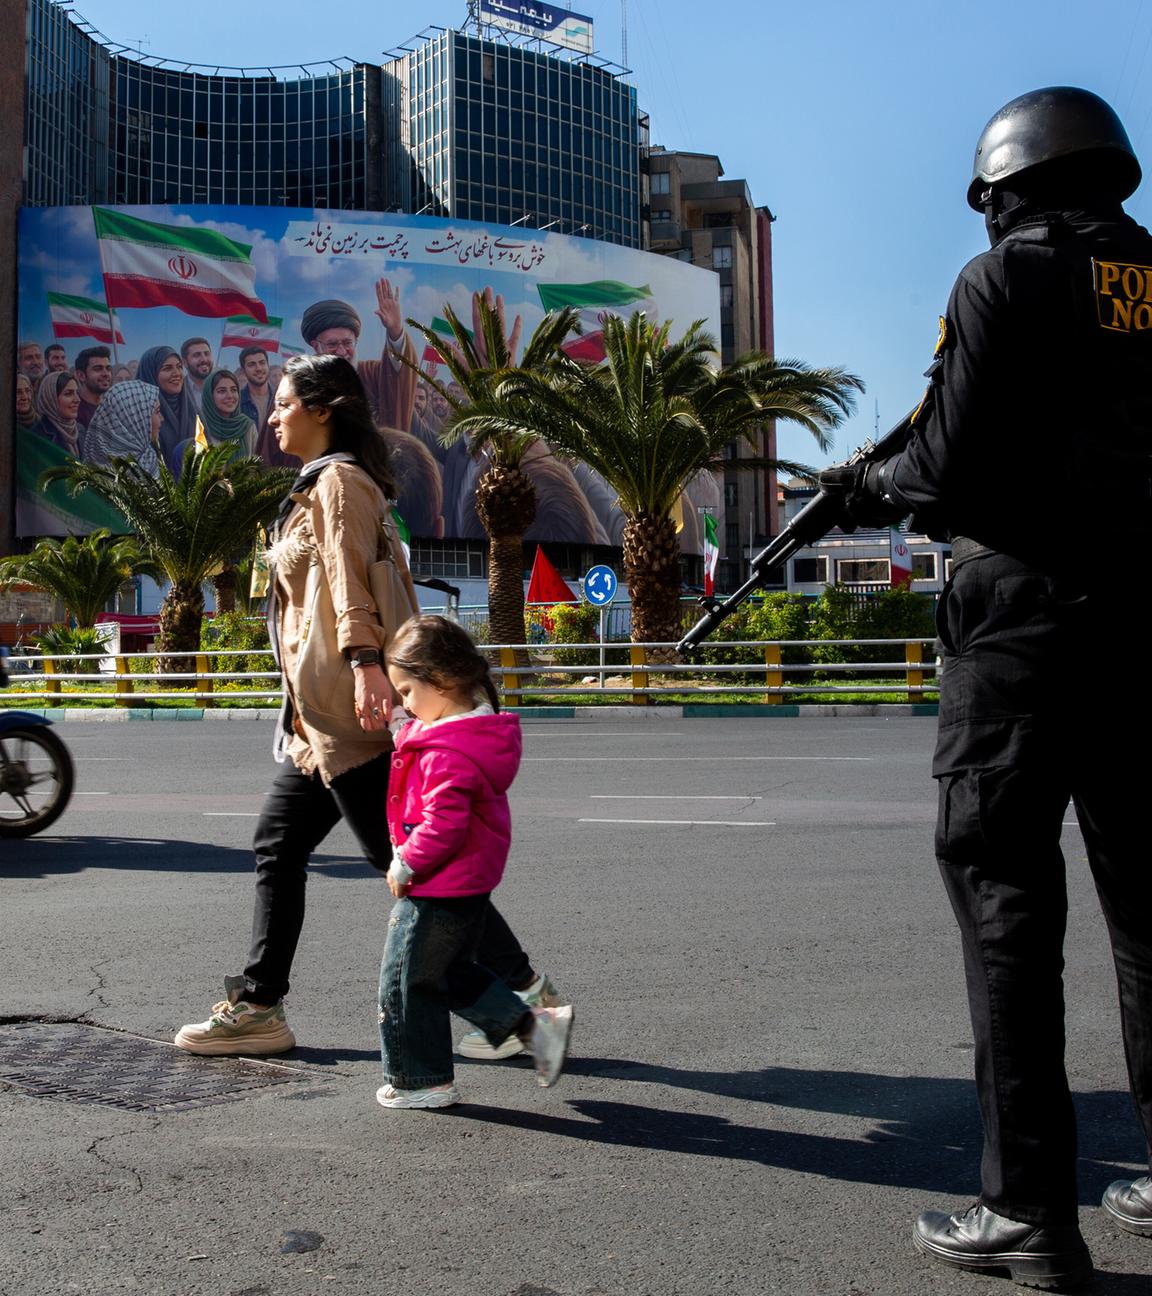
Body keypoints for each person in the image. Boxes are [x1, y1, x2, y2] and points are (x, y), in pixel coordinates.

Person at [819, 86, 1152, 1288]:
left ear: (1006, 181)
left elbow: (948, 465)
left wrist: (868, 485)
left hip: (1022, 630)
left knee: (1009, 912)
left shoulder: (1000, 276)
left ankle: (1029, 1213)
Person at [174, 355, 563, 1058]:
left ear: (322, 409)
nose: (273, 416)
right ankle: (262, 1004)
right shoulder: (316, 487)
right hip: (316, 720)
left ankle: (524, 1004)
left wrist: (363, 666)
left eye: (285, 403)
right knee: (279, 846)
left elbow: (351, 582)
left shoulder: (341, 483)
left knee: (411, 861)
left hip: (348, 712)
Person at [376, 615, 574, 1109]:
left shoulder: (448, 754)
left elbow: (444, 823)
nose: (404, 702)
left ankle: (420, 1082)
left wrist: (407, 864)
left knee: (406, 981)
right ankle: (533, 1028)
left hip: (437, 884)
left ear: (439, 683)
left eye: (406, 691)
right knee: (450, 973)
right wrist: (402, 725)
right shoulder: (466, 733)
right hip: (467, 885)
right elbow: (424, 742)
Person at [300, 280, 418, 432]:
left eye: (347, 343)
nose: (342, 351)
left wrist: (395, 330)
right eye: (332, 344)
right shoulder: (301, 383)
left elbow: (398, 374)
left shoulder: (372, 374)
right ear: (316, 346)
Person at [82, 379, 163, 478]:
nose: (162, 418)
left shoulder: (149, 457)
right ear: (134, 419)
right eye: (157, 412)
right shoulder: (102, 473)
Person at [138, 345, 198, 467]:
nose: (177, 373)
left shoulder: (193, 412)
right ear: (151, 374)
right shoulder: (140, 415)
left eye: (179, 367)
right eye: (167, 368)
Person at [198, 368, 257, 460]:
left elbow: (257, 466)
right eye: (222, 391)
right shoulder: (200, 427)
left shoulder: (247, 427)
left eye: (233, 390)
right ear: (209, 396)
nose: (230, 396)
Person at [30, 369, 83, 456]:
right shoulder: (37, 436)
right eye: (68, 393)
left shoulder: (81, 430)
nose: (77, 400)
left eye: (77, 393)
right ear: (51, 398)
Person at [237, 345, 274, 443]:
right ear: (243, 371)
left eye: (262, 363)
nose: (258, 368)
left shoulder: (281, 399)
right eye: (252, 365)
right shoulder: (236, 402)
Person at [74, 345, 113, 433]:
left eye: (108, 368)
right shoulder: (74, 410)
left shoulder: (113, 406)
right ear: (81, 375)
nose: (106, 373)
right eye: (98, 369)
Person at [181, 337, 214, 410]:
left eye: (206, 354)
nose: (204, 359)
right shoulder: (179, 390)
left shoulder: (221, 386)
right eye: (196, 355)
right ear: (185, 362)